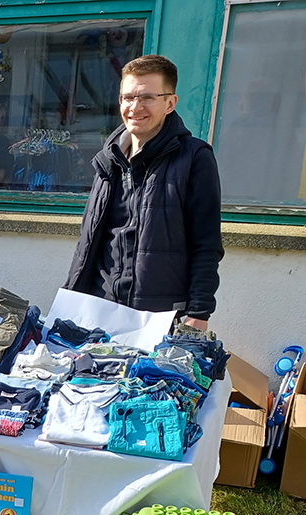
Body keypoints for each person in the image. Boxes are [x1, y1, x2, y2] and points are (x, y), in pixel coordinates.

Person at [64, 55, 223, 331]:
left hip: (158, 316)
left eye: (147, 97)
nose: (134, 107)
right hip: (98, 307)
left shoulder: (195, 158)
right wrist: (71, 295)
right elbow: (89, 240)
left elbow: (206, 244)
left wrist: (199, 312)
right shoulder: (108, 159)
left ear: (170, 103)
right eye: (127, 98)